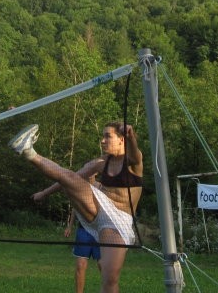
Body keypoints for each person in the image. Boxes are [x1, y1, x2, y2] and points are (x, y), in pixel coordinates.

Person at [9, 121, 143, 293]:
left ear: (121, 140)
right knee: (70, 177)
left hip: (118, 223)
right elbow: (69, 177)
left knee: (110, 279)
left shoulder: (132, 164)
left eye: (107, 136)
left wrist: (131, 136)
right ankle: (28, 151)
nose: (102, 140)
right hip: (98, 207)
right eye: (102, 136)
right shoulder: (100, 163)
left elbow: (136, 155)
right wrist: (44, 193)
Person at [65, 208, 101, 293]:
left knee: (103, 266)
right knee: (80, 265)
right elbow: (75, 207)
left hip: (100, 230)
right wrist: (69, 227)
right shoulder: (81, 194)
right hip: (83, 230)